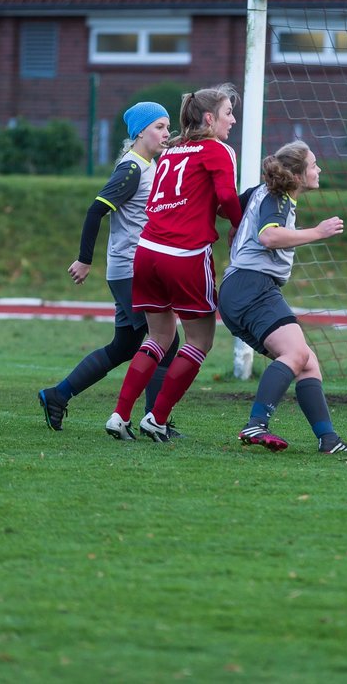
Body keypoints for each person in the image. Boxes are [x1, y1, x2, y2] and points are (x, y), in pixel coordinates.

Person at [107, 84, 243, 442]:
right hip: (184, 254)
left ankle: (120, 415)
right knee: (199, 341)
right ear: (210, 118)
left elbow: (178, 197)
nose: (233, 120)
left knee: (158, 336)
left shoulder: (171, 150)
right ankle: (158, 418)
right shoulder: (219, 149)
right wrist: (239, 225)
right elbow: (227, 195)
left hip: (147, 250)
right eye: (229, 113)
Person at [37, 101, 182, 435]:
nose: (165, 132)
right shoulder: (131, 168)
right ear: (140, 131)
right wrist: (84, 259)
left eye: (167, 126)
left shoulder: (152, 164)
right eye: (159, 126)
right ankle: (155, 421)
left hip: (135, 269)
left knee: (125, 347)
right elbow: (94, 211)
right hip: (131, 269)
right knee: (167, 342)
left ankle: (57, 395)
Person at [220, 141, 347, 454]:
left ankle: (329, 440)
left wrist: (236, 227)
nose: (318, 169)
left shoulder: (261, 191)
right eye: (313, 165)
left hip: (242, 289)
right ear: (296, 174)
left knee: (307, 362)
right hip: (251, 286)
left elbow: (226, 208)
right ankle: (256, 423)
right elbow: (269, 236)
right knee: (295, 354)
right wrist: (318, 232)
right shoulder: (278, 197)